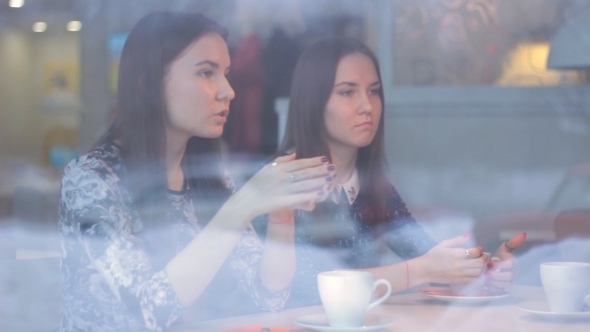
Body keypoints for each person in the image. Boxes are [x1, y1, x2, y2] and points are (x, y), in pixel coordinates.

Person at [58, 12, 335, 331]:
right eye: (206, 73)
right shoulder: (91, 178)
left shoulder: (209, 177)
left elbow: (268, 297)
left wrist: (280, 210)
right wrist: (244, 204)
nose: (228, 91)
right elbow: (149, 311)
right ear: (147, 82)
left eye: (226, 74)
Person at [264, 37, 526, 307]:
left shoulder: (372, 186)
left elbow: (428, 258)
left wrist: (481, 270)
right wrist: (422, 270)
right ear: (313, 102)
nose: (367, 106)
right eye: (347, 92)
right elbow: (304, 289)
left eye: (374, 91)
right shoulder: (282, 180)